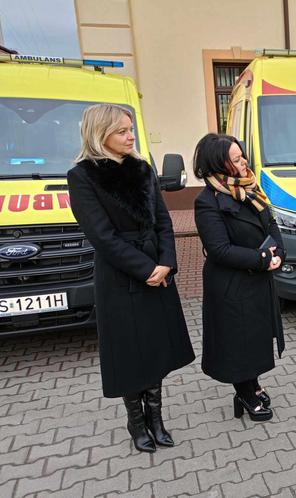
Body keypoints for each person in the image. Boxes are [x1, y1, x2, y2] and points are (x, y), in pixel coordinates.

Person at [67, 104, 194, 453]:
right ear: (100, 133)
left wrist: (166, 262)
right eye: (122, 130)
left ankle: (157, 417)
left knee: (155, 348)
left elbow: (163, 221)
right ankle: (136, 422)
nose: (131, 135)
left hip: (158, 271)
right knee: (129, 352)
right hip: (121, 277)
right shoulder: (82, 176)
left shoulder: (142, 169)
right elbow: (101, 236)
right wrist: (145, 269)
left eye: (130, 129)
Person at [193, 133, 285, 422]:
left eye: (242, 155)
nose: (244, 162)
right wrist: (262, 259)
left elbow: (271, 224)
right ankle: (244, 393)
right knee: (238, 340)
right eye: (236, 159)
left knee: (256, 336)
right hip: (231, 283)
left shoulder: (251, 190)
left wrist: (279, 252)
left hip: (257, 279)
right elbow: (219, 249)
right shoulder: (207, 201)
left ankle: (253, 384)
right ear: (219, 164)